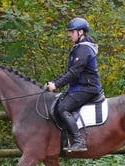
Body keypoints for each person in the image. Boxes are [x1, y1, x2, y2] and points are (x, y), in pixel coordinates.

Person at [46, 17, 102, 152]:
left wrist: (56, 85)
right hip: (79, 87)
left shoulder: (84, 49)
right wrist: (54, 82)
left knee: (62, 109)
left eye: (72, 32)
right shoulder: (79, 48)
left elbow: (74, 73)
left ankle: (79, 141)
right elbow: (70, 72)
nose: (69, 34)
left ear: (81, 32)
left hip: (87, 88)